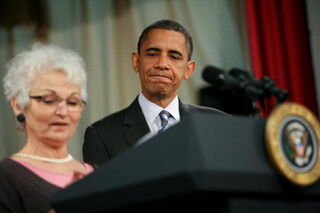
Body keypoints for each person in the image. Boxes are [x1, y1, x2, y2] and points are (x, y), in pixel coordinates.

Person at [83, 19, 227, 166]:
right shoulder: (101, 135)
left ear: (188, 69)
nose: (162, 64)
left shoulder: (218, 124)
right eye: (152, 54)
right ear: (136, 61)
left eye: (174, 57)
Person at [0, 43, 94, 213]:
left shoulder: (96, 173)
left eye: (72, 102)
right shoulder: (6, 176)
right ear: (18, 105)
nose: (63, 111)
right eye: (49, 100)